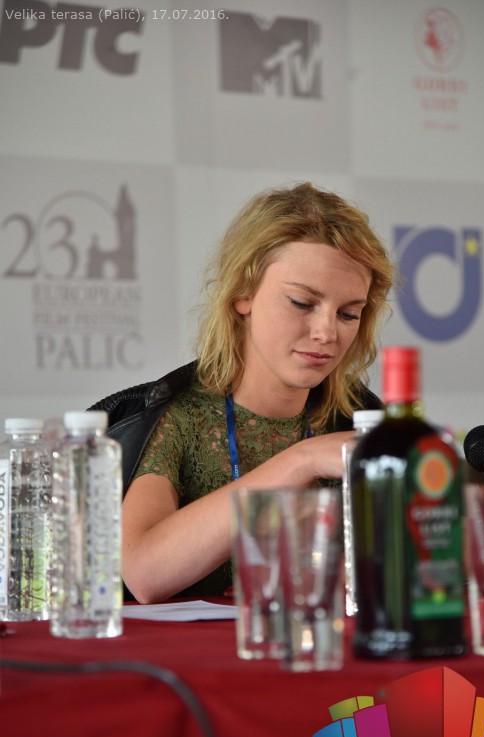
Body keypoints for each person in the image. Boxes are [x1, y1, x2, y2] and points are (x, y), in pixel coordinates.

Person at [119, 182, 396, 603]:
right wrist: (302, 460)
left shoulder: (360, 421)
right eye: (302, 303)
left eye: (348, 313)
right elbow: (145, 574)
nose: (326, 333)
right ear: (242, 295)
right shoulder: (178, 416)